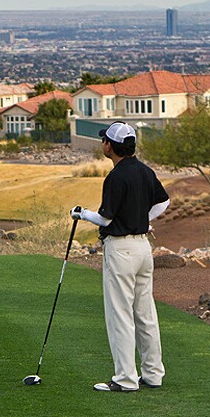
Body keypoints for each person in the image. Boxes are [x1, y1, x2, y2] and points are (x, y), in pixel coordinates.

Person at [70, 121, 169, 393]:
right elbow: (164, 202)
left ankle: (125, 378)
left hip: (121, 250)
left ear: (110, 146)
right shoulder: (145, 170)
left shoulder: (116, 177)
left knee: (121, 315)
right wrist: (142, 219)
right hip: (143, 249)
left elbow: (105, 218)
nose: (103, 143)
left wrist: (81, 213)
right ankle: (153, 374)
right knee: (145, 313)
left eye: (105, 140)